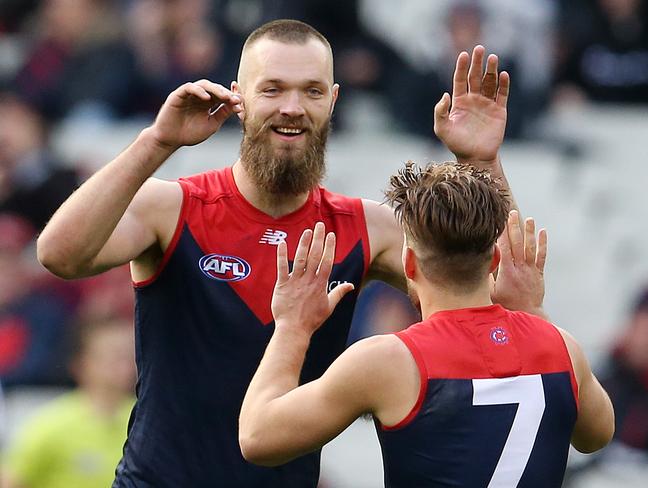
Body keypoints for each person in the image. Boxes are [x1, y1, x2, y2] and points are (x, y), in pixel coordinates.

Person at [37, 18, 525, 486]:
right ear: (239, 99)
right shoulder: (174, 206)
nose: (292, 106)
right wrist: (158, 141)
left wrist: (481, 162)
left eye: (311, 91)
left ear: (332, 101)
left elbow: (498, 299)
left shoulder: (366, 227)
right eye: (272, 89)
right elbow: (61, 254)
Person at [239, 162, 615, 487]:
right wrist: (532, 311)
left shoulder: (389, 361)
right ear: (493, 260)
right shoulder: (561, 346)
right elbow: (598, 435)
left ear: (409, 264)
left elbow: (258, 438)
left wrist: (293, 326)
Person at [1, 316, 135, 488]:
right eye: (114, 356)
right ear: (81, 363)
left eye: (129, 355)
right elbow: (10, 480)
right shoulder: (51, 423)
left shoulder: (146, 421)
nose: (125, 365)